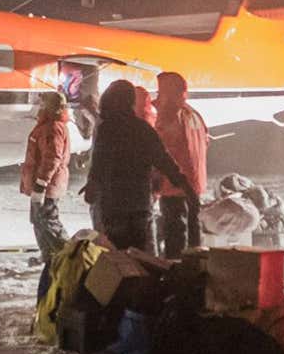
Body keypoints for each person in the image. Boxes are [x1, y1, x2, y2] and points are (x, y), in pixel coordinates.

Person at [83, 79, 199, 253]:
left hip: (114, 204)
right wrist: (185, 186)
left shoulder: (108, 129)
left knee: (118, 255)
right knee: (138, 253)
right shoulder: (143, 128)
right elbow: (164, 160)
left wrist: (92, 186)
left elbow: (99, 162)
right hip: (139, 203)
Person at [20, 91, 70, 301]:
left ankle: (66, 255)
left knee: (48, 220)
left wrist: (40, 185)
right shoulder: (47, 125)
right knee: (38, 220)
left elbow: (52, 158)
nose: (38, 106)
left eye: (42, 102)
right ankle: (50, 256)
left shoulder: (52, 128)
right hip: (41, 186)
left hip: (46, 186)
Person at [152, 72, 207, 260]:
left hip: (175, 186)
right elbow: (205, 142)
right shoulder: (194, 114)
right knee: (194, 234)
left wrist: (154, 182)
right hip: (194, 183)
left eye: (160, 93)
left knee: (175, 236)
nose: (156, 98)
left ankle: (176, 277)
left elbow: (158, 150)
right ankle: (195, 275)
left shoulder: (168, 117)